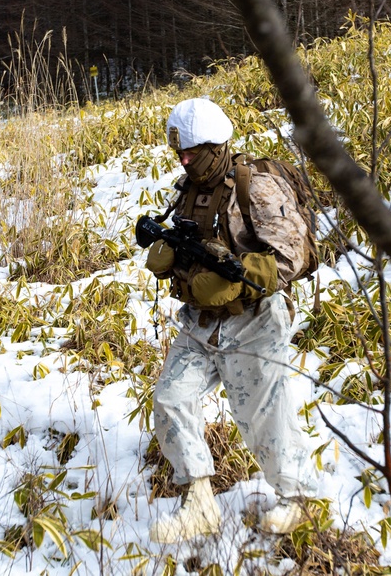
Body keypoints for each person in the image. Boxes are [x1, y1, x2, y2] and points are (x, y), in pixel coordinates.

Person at [144, 98, 318, 544]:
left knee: (263, 416)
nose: (182, 160)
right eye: (178, 153)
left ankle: (298, 501)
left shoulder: (255, 186)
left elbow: (292, 255)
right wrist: (171, 259)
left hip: (254, 320)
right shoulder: (189, 187)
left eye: (190, 152)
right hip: (201, 322)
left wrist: (238, 284)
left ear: (215, 144)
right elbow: (190, 241)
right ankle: (200, 504)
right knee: (170, 398)